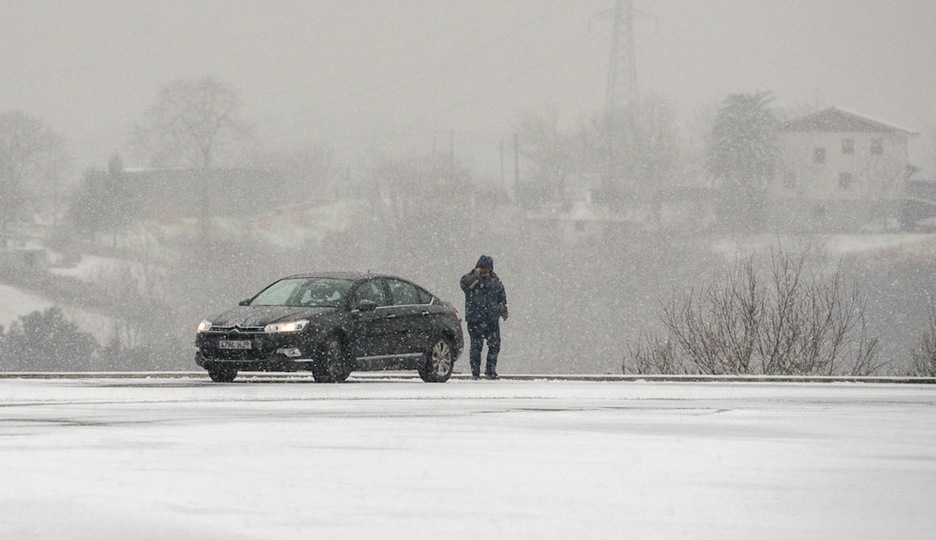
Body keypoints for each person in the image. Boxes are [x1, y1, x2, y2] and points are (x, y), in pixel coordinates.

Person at [460, 255, 508, 379]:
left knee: (495, 345)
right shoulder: (469, 279)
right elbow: (465, 286)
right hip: (475, 319)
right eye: (482, 268)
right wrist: (476, 277)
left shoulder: (495, 280)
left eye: (486, 268)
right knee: (476, 347)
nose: (484, 271)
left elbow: (501, 295)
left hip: (492, 318)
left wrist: (503, 309)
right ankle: (475, 373)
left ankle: (490, 370)